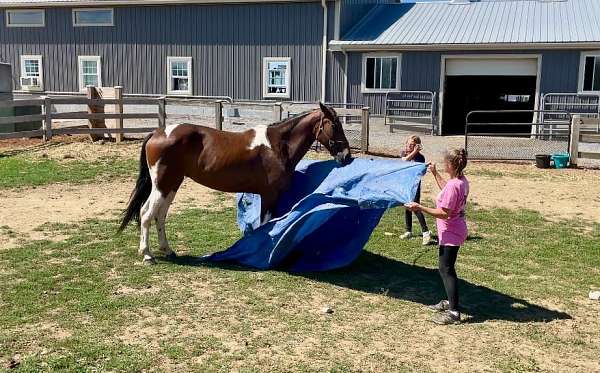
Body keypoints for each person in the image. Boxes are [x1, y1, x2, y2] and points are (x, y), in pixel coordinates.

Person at [404, 148, 469, 325]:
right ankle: (450, 301)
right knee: (446, 267)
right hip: (455, 230)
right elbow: (447, 189)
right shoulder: (460, 181)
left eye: (444, 163)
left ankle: (454, 312)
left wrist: (420, 207)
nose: (443, 165)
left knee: (446, 269)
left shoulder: (455, 185)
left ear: (450, 164)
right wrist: (434, 173)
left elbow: (444, 213)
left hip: (452, 232)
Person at [400, 135, 433, 246]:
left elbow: (422, 173)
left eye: (412, 145)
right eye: (408, 144)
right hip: (405, 184)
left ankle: (425, 232)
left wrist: (423, 165)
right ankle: (408, 230)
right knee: (407, 205)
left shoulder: (420, 157)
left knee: (415, 206)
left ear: (417, 146)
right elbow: (404, 161)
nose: (409, 146)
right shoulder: (404, 153)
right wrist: (413, 152)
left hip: (414, 185)